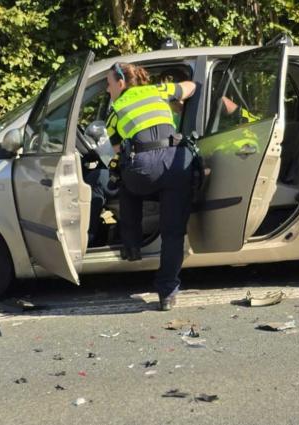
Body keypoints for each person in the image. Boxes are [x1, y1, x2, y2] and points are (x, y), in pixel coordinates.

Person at [105, 62, 197, 311]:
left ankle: (132, 244)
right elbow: (191, 86)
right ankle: (167, 292)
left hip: (144, 169)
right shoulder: (159, 91)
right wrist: (177, 97)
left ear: (121, 83)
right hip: (176, 164)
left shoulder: (115, 111)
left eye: (109, 83)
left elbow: (116, 150)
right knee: (173, 234)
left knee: (124, 180)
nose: (107, 89)